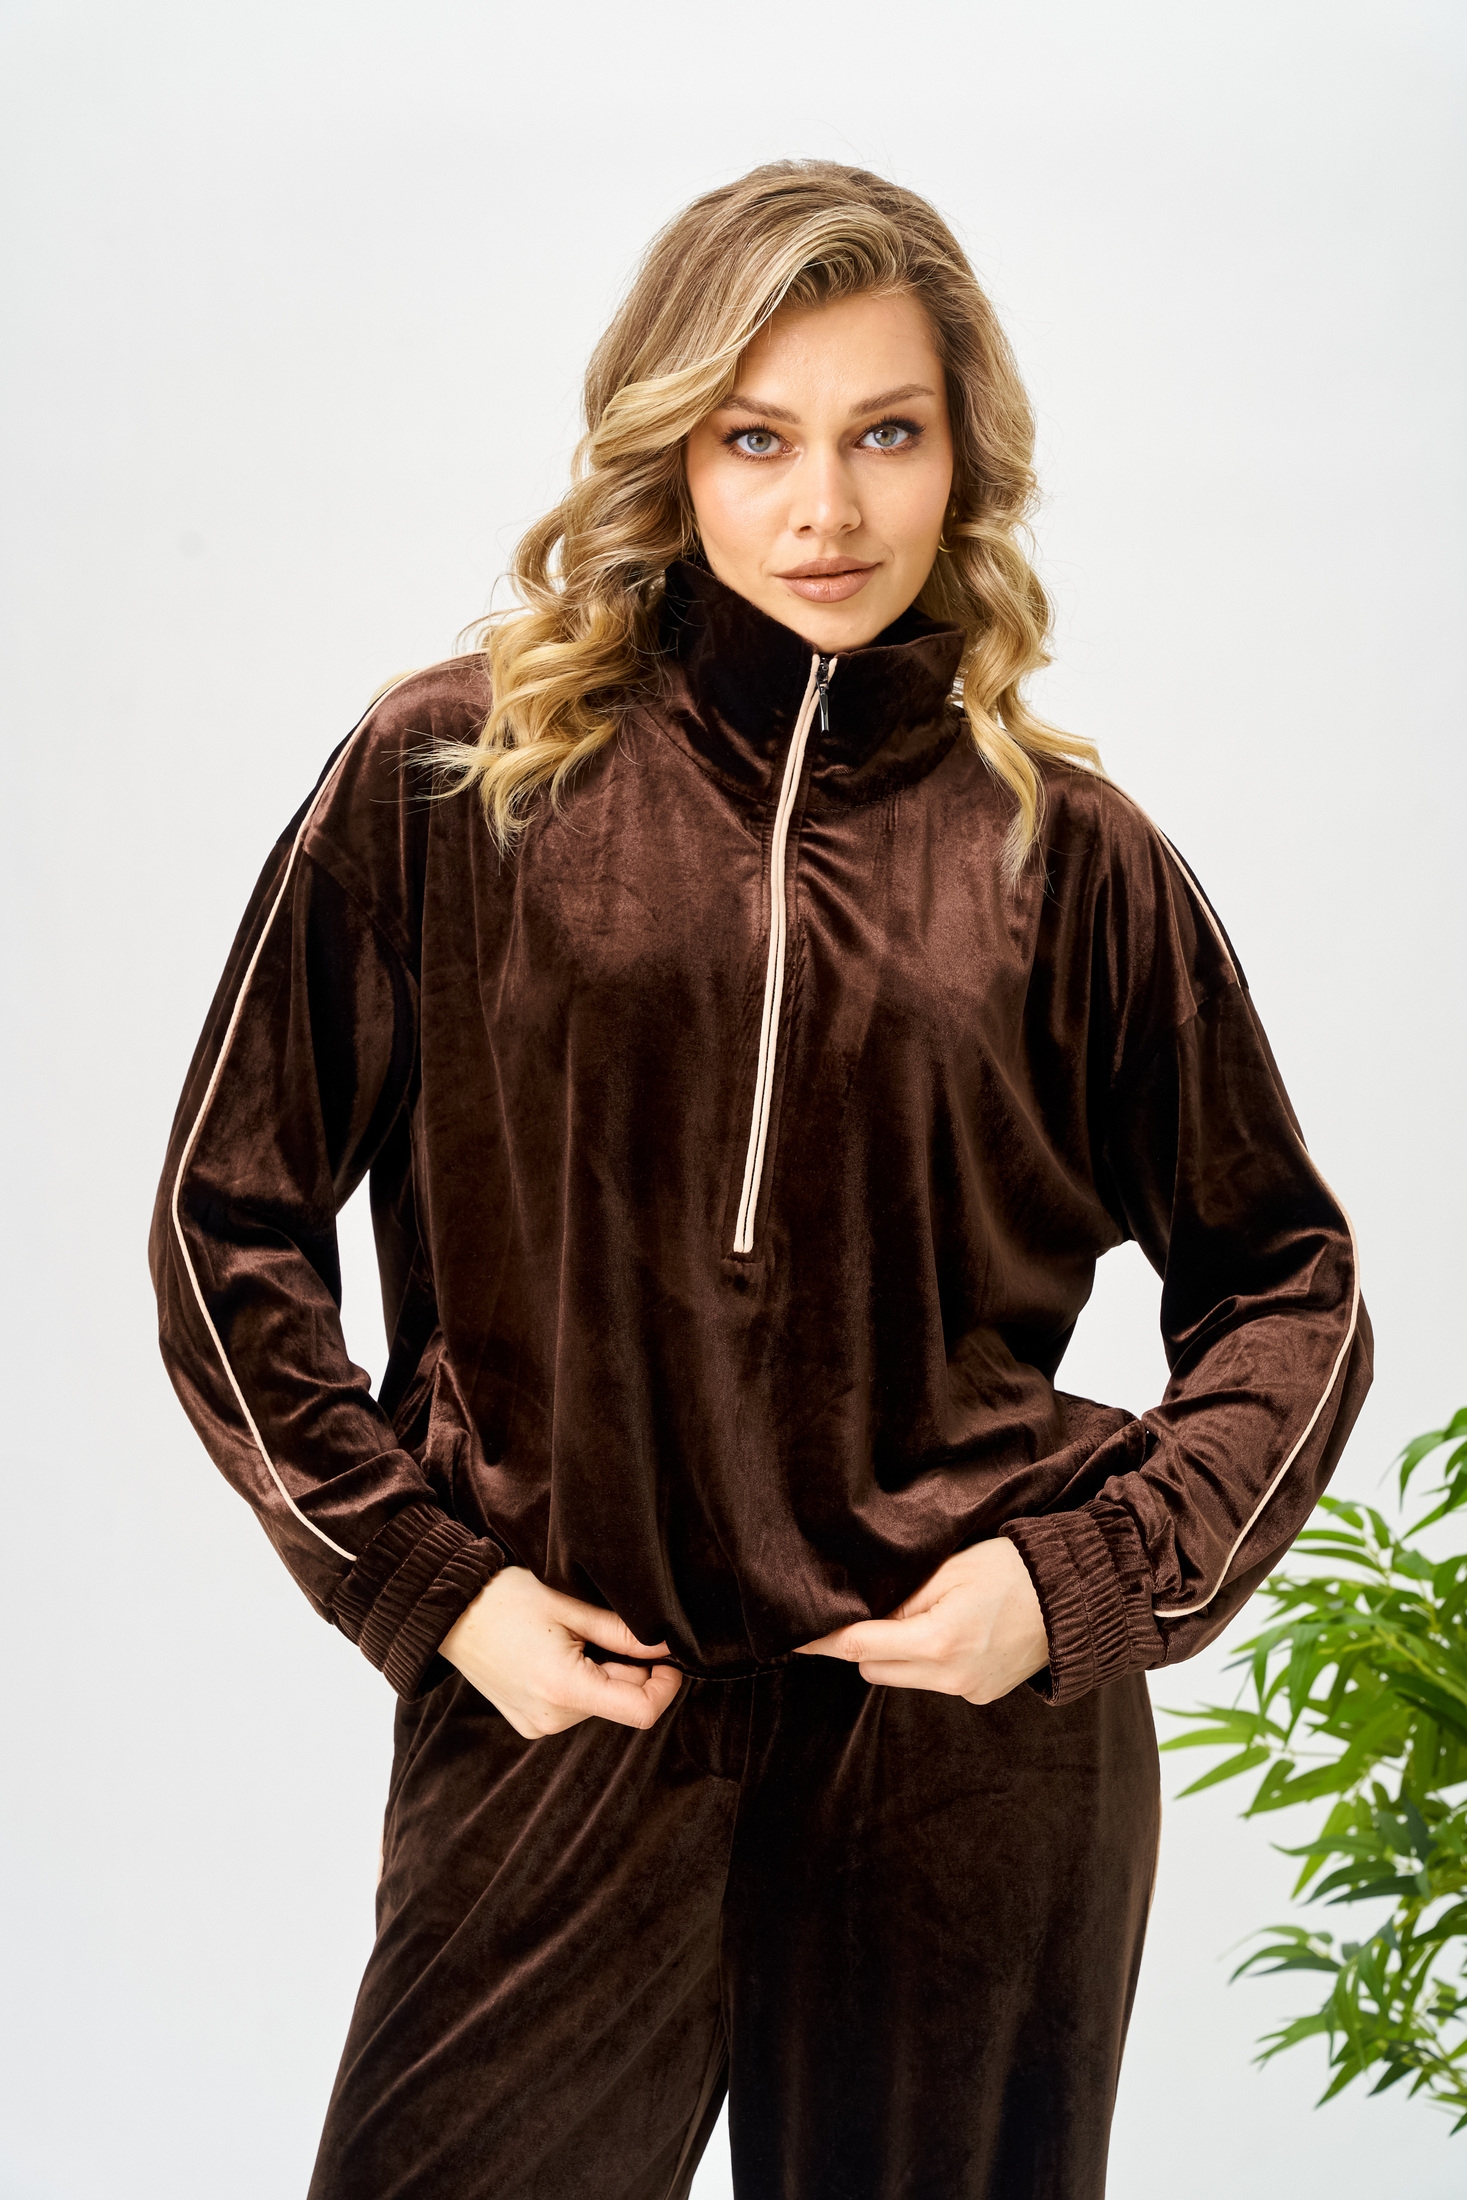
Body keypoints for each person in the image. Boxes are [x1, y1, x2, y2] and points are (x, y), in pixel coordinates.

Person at [150, 161, 1370, 2200]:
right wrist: (432, 1587)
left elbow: (1289, 1288)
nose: (826, 510)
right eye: (757, 438)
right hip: (568, 1707)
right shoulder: (458, 781)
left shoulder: (1069, 858)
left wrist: (1075, 1583)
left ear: (961, 456)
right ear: (671, 448)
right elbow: (225, 1222)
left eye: (885, 434)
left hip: (957, 1751)